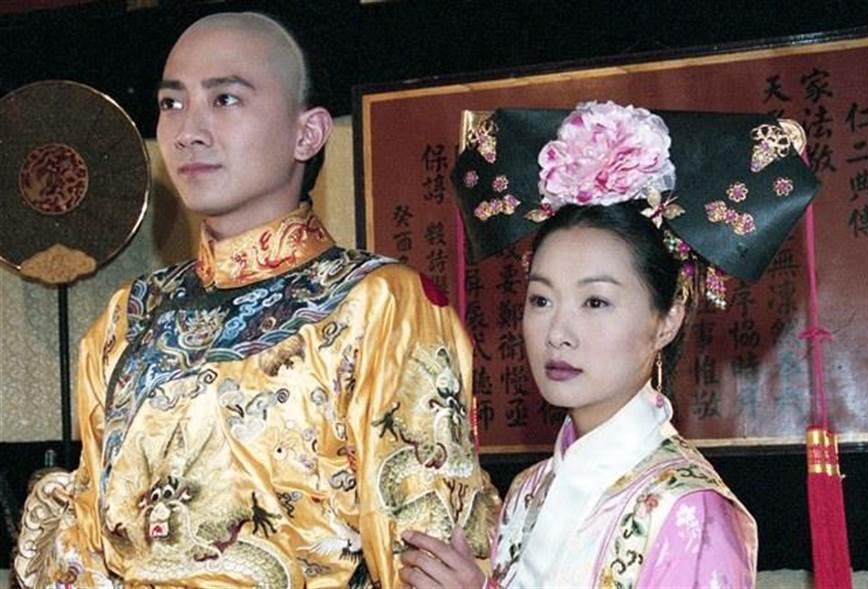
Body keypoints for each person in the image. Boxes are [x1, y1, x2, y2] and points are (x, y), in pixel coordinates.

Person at [15, 12, 498, 588]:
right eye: (172, 103)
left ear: (307, 134)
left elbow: (423, 547)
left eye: (224, 99)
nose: (188, 131)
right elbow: (89, 546)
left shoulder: (377, 304)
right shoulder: (131, 316)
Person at [399, 101, 819, 588]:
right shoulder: (526, 493)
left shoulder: (687, 511)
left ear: (668, 320)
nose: (558, 332)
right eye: (541, 299)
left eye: (595, 302)